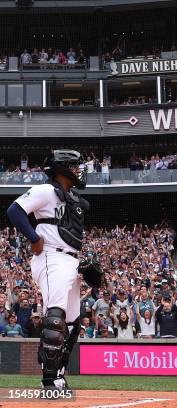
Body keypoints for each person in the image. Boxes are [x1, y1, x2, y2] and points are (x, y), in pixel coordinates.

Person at [6, 150, 89, 390]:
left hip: (71, 261)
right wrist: (33, 237)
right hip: (51, 257)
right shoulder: (45, 190)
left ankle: (59, 375)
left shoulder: (72, 199)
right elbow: (15, 210)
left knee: (73, 322)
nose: (79, 171)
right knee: (55, 318)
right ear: (62, 168)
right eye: (74, 166)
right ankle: (49, 380)